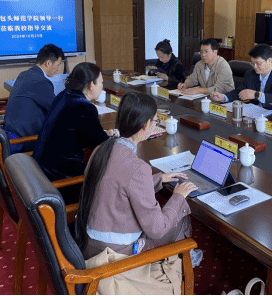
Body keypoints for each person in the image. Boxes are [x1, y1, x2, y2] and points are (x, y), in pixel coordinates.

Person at [75, 91, 203, 268]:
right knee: (180, 217)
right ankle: (182, 264)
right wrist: (178, 197)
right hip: (115, 253)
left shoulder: (102, 148)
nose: (156, 125)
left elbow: (117, 184)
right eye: (156, 121)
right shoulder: (138, 168)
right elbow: (157, 229)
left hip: (88, 242)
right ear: (146, 125)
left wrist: (158, 179)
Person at [33, 62, 117, 182]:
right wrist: (114, 137)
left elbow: (82, 132)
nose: (102, 86)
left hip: (41, 168)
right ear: (91, 85)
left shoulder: (63, 95)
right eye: (101, 82)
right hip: (61, 178)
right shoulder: (84, 106)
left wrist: (102, 134)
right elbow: (101, 144)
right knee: (110, 170)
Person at [4, 44, 65, 153]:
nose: (58, 69)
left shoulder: (25, 74)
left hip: (11, 132)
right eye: (58, 64)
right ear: (48, 63)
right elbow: (58, 109)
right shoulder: (41, 82)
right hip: (23, 141)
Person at [211, 44, 272, 116]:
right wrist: (223, 97)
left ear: (269, 60)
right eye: (252, 63)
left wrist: (257, 95)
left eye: (258, 63)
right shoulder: (250, 74)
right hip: (255, 115)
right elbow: (240, 92)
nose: (255, 67)